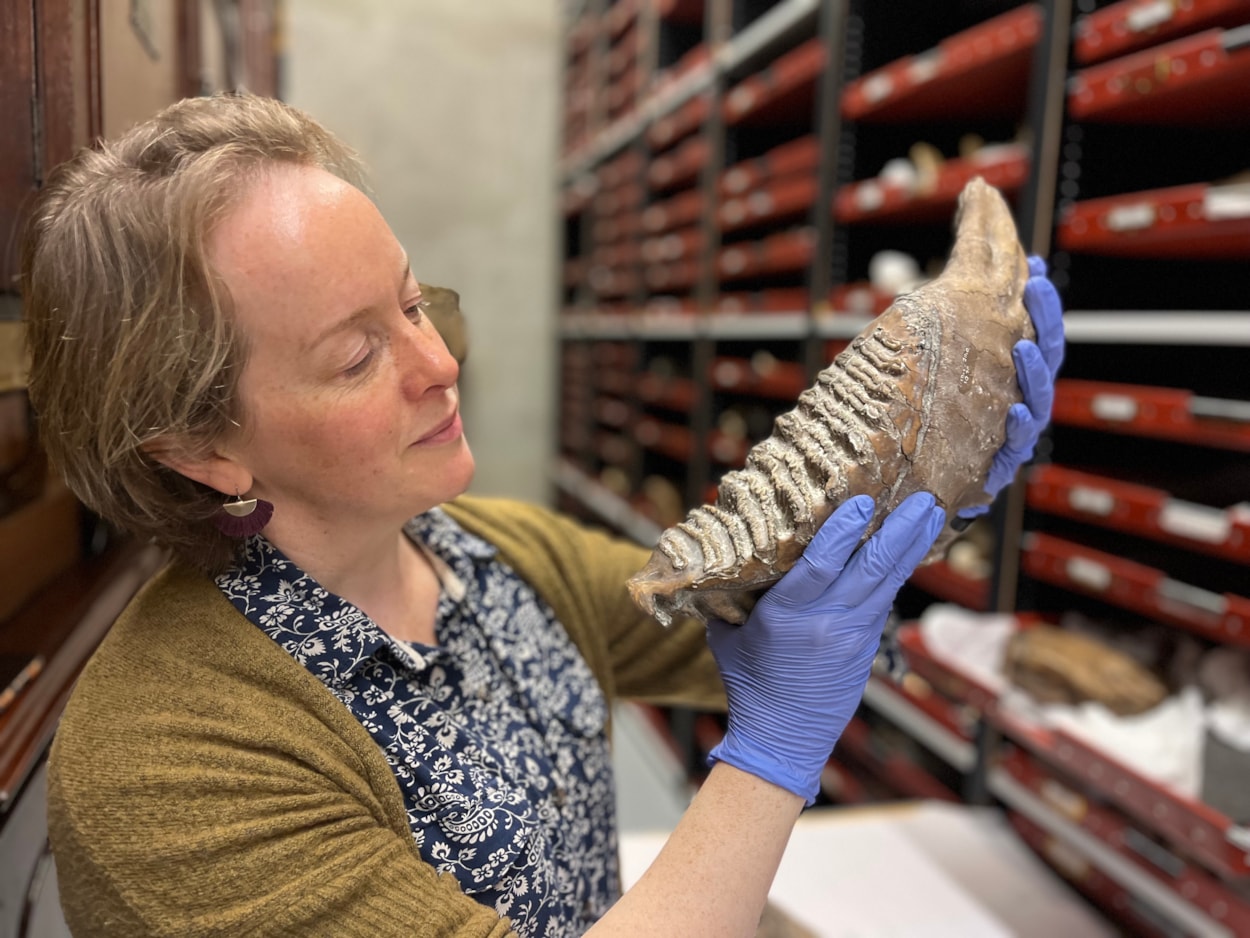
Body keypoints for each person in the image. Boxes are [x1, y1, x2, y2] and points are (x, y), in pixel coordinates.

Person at [21, 93, 1064, 938]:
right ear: (199, 446)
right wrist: (768, 756)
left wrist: (930, 483)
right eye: (354, 355)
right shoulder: (169, 765)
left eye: (415, 303)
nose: (439, 364)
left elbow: (759, 611)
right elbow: (779, 696)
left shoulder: (490, 554)